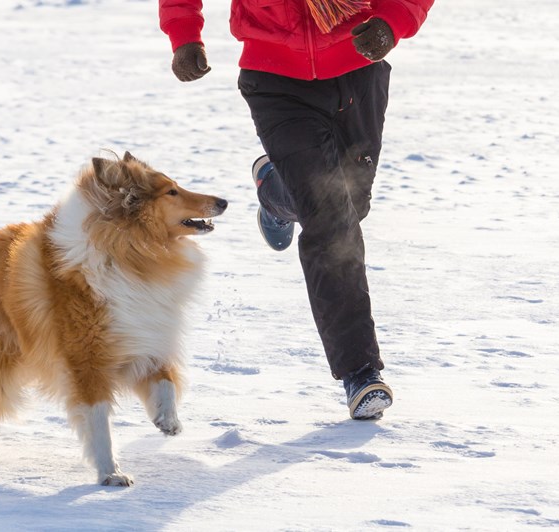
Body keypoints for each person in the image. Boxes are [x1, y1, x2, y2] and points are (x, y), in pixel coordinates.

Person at [158, 0, 433, 420]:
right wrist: (184, 35)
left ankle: (275, 190)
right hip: (275, 81)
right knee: (330, 219)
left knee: (350, 204)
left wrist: (392, 21)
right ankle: (360, 371)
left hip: (358, 67)